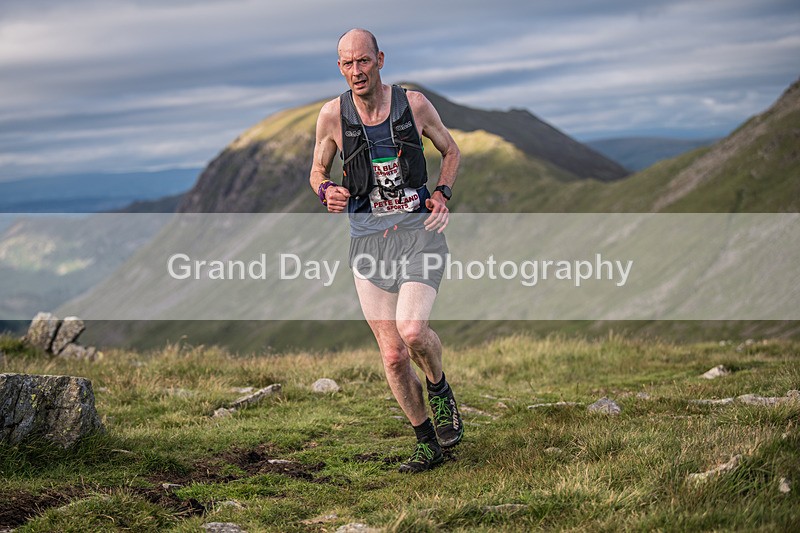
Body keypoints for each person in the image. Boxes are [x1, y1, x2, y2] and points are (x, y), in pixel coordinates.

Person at [309, 28, 462, 473]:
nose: (356, 71)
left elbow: (450, 150)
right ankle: (427, 442)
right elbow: (317, 169)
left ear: (379, 59)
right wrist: (326, 191)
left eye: (363, 61)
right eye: (346, 64)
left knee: (413, 332)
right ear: (340, 68)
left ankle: (439, 386)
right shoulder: (331, 115)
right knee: (393, 355)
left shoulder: (413, 105)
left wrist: (442, 193)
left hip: (418, 234)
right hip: (367, 243)